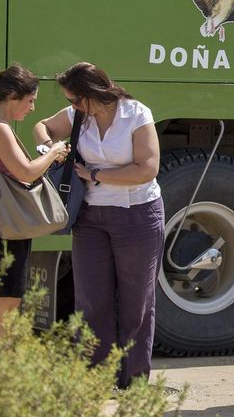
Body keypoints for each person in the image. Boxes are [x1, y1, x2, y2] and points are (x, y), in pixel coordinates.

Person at [34, 62, 163, 391]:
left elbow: (146, 169)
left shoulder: (136, 114)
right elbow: (42, 127)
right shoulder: (78, 115)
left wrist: (94, 175)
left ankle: (134, 383)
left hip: (137, 213)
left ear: (93, 93)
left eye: (75, 99)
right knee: (91, 299)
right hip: (90, 216)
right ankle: (97, 379)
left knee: (137, 301)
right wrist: (50, 149)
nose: (72, 105)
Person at [0, 65, 68, 337]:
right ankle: (0, 367)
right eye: (30, 101)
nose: (32, 108)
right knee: (7, 302)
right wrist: (54, 151)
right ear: (13, 95)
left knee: (0, 302)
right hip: (5, 226)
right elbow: (25, 171)